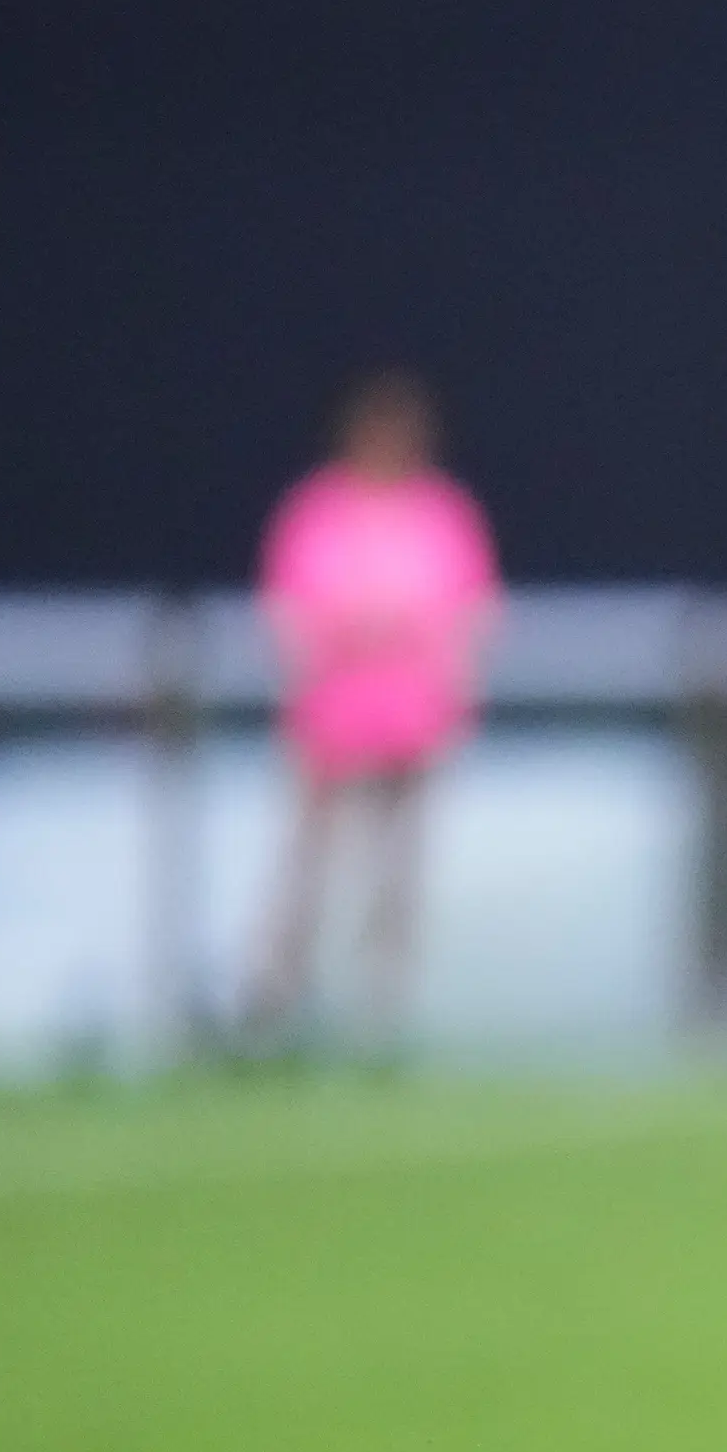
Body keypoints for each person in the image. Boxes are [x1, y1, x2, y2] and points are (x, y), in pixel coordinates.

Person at [242, 368, 500, 1055]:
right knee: (307, 873)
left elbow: (468, 616)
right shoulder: (318, 512)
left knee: (397, 879)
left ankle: (380, 1014)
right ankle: (276, 1005)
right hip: (330, 725)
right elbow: (293, 616)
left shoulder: (441, 513)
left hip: (412, 725)